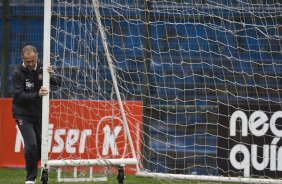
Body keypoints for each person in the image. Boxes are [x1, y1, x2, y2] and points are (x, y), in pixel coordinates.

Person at [12, 45, 61, 184]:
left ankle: (31, 159)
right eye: (28, 61)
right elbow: (19, 95)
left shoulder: (42, 67)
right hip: (23, 115)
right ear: (22, 59)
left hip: (40, 114)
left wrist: (51, 74)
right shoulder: (17, 72)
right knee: (32, 145)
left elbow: (58, 83)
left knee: (40, 148)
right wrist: (37, 95)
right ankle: (30, 179)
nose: (31, 64)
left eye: (33, 60)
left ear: (36, 57)